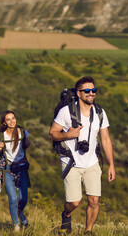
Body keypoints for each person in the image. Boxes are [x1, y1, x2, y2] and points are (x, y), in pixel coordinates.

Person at [49, 76, 116, 234]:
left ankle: (88, 231)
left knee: (94, 200)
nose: (91, 93)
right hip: (71, 162)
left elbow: (106, 139)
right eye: (87, 91)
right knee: (74, 202)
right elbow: (52, 134)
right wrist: (68, 135)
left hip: (92, 162)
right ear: (78, 93)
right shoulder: (66, 112)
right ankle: (66, 215)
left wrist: (111, 164)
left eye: (93, 90)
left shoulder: (99, 112)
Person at [0, 110, 31, 233]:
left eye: (13, 118)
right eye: (8, 119)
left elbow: (27, 144)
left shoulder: (22, 132)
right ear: (4, 122)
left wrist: (27, 143)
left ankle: (20, 214)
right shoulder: (0, 136)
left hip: (22, 168)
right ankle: (16, 225)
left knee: (23, 199)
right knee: (12, 198)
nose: (12, 121)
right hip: (8, 170)